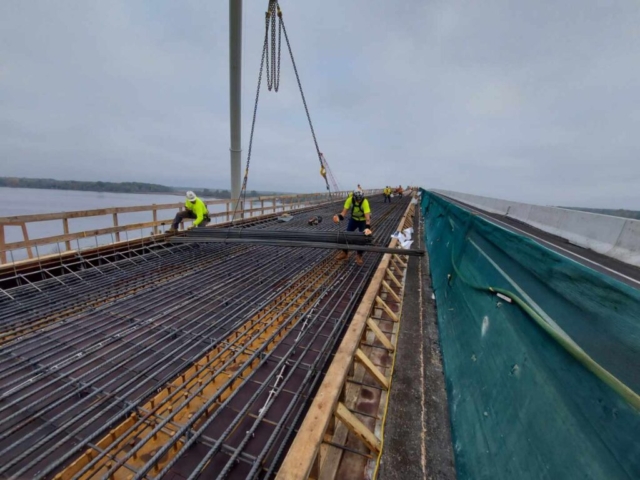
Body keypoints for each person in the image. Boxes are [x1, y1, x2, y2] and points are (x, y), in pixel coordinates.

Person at [333, 189, 372, 266]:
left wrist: (367, 228)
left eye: (360, 199)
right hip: (353, 219)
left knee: (362, 238)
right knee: (347, 235)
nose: (359, 201)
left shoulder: (365, 202)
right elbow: (343, 214)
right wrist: (337, 217)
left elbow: (367, 218)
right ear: (354, 197)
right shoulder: (349, 200)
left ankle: (359, 255)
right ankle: (345, 253)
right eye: (357, 199)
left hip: (362, 221)